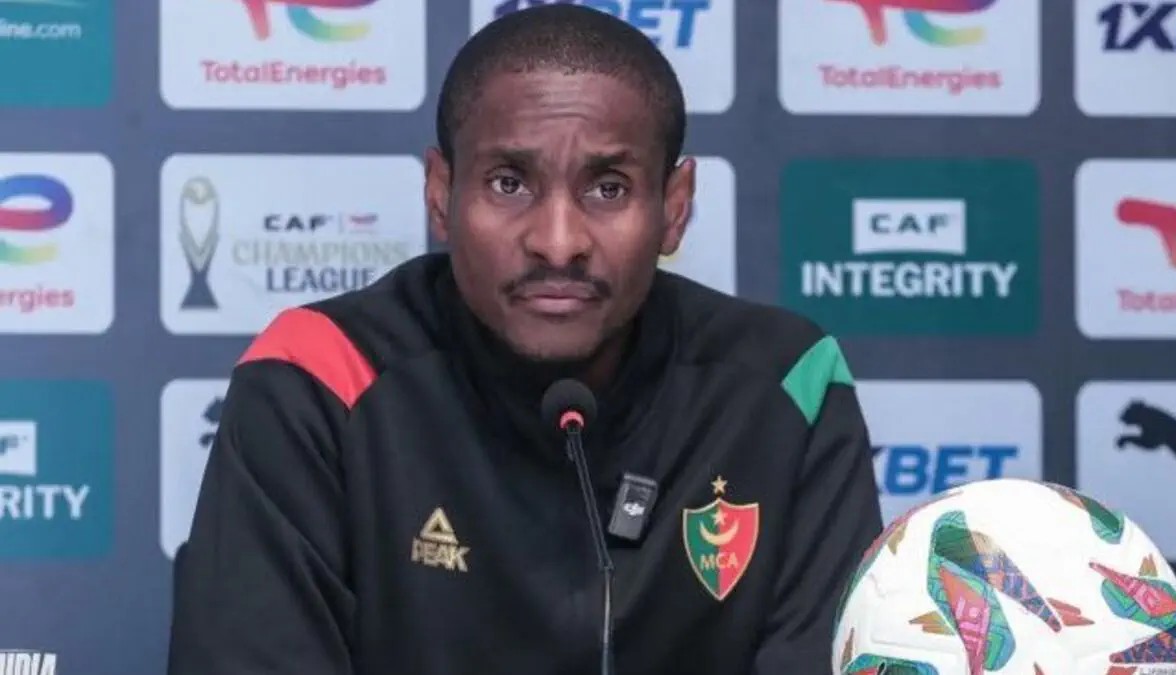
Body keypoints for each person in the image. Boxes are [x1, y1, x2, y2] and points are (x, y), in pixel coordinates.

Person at [166, 5, 883, 674]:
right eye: (509, 183)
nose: (558, 242)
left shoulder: (785, 387)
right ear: (441, 193)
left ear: (674, 207)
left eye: (608, 188)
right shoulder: (322, 378)